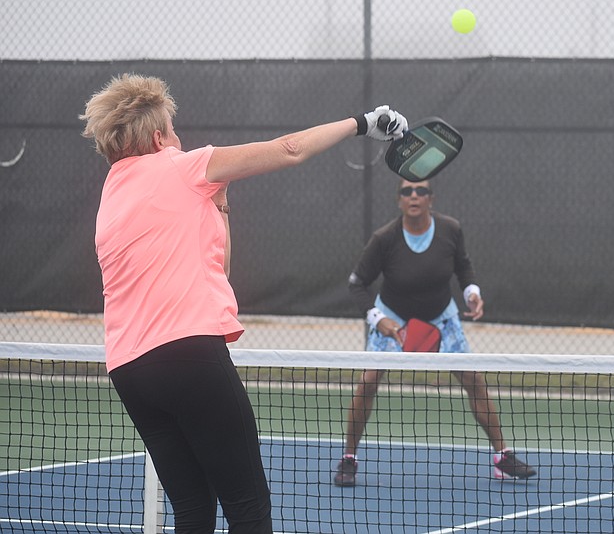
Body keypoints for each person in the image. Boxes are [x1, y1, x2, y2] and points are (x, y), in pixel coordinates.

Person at [80, 73, 407, 533]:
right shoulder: (183, 165)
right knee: (248, 507)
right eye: (173, 130)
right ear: (158, 138)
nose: (180, 138)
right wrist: (363, 122)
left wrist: (222, 200)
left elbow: (221, 270)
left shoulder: (112, 193)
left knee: (193, 511)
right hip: (189, 357)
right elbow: (290, 148)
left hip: (130, 371)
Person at [333, 178, 536, 487]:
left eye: (421, 191)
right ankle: (349, 459)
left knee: (474, 379)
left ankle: (502, 457)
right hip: (394, 321)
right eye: (406, 191)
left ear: (431, 198)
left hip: (442, 319)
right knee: (368, 381)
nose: (414, 196)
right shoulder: (384, 238)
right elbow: (356, 283)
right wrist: (378, 320)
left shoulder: (450, 229)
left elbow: (463, 266)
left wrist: (471, 292)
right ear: (399, 200)